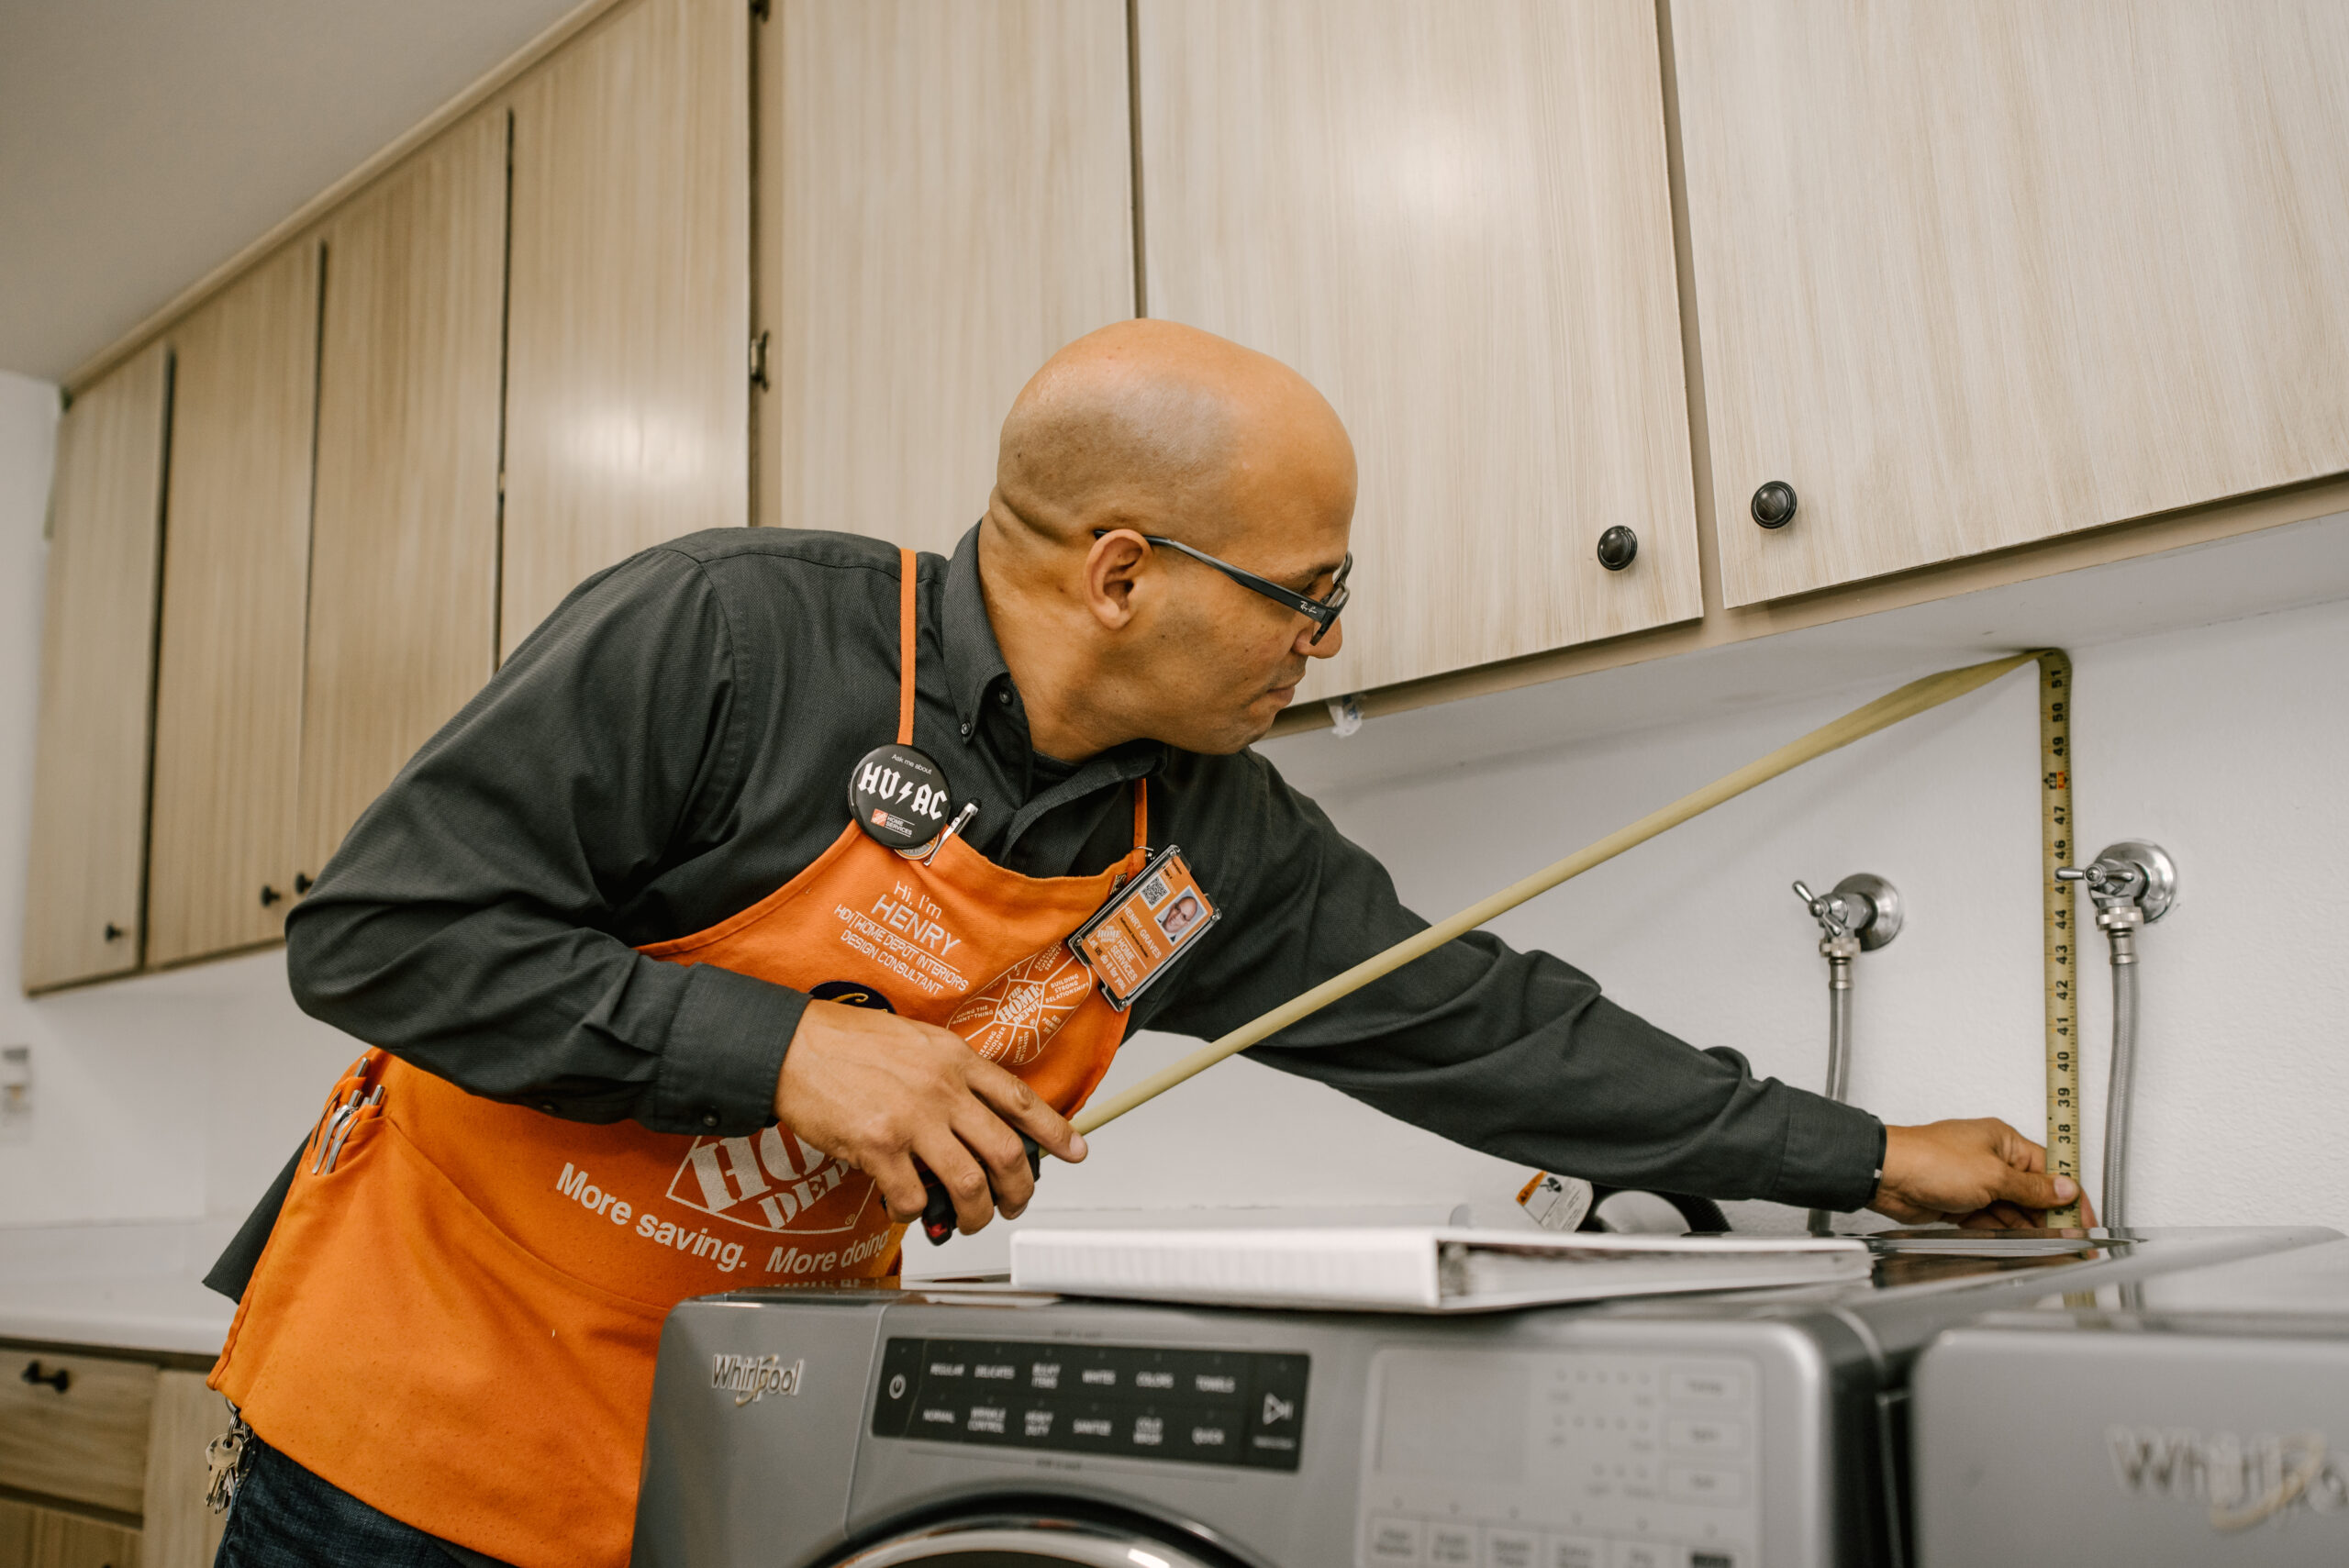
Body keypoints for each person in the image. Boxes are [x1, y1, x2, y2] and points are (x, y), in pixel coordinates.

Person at [203, 320, 2082, 1568]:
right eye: (1307, 598)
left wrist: (1862, 1157)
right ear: (1120, 573)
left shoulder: (1211, 837)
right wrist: (785, 1053)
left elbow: (1485, 1028)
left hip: (741, 1461)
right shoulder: (726, 638)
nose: (1319, 648)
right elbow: (384, 934)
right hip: (409, 1434)